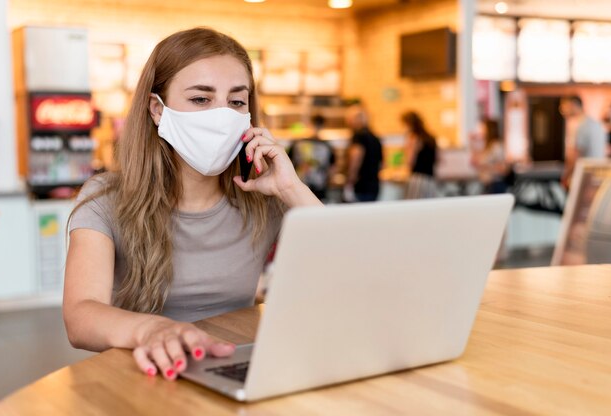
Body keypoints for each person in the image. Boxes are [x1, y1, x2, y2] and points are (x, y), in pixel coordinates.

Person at [63, 27, 322, 382]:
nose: (222, 115)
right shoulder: (106, 198)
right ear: (157, 109)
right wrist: (152, 330)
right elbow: (79, 317)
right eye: (201, 99)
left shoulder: (264, 199)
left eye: (236, 101)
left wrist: (291, 188)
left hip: (234, 372)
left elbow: (360, 272)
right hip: (143, 377)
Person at [559, 95, 607, 189]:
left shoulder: (579, 126)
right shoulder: (596, 124)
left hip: (584, 177)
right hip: (598, 176)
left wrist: (566, 175)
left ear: (573, 105)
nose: (562, 110)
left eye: (564, 106)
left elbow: (575, 155)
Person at [287, 114, 336, 201]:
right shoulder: (327, 146)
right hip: (319, 188)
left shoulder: (297, 143)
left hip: (299, 187)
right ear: (323, 126)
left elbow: (288, 164)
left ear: (310, 124)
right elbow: (332, 169)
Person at [344, 105, 383, 202]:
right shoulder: (375, 137)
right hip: (374, 185)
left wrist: (350, 181)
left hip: (361, 186)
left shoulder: (359, 136)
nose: (348, 123)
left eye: (349, 119)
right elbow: (382, 163)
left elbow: (356, 158)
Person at [401, 111, 437, 199]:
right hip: (430, 180)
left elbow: (410, 161)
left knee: (414, 208)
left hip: (417, 179)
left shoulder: (414, 138)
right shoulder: (430, 138)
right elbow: (438, 159)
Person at [470, 118, 508, 194]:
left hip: (496, 184)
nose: (482, 131)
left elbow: (503, 169)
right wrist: (472, 142)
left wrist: (486, 166)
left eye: (484, 129)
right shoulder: (487, 147)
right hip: (488, 184)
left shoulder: (497, 146)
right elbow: (475, 162)